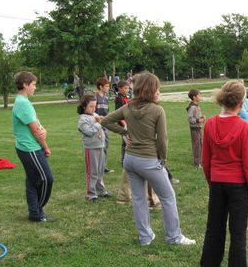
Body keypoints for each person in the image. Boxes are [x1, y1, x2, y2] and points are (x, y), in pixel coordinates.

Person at [101, 72, 195, 246]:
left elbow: (105, 121)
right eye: (157, 88)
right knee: (168, 197)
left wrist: (125, 133)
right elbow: (162, 139)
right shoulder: (157, 110)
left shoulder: (128, 107)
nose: (159, 91)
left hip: (130, 160)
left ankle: (145, 237)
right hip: (149, 160)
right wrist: (163, 159)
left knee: (138, 198)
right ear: (151, 90)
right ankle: (174, 237)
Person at [200, 80, 248, 267]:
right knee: (238, 232)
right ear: (241, 103)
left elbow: (205, 160)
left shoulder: (210, 124)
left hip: (217, 182)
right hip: (238, 186)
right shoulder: (244, 128)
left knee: (214, 227)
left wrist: (211, 180)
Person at [12, 71, 54, 222]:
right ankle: (37, 210)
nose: (35, 87)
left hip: (28, 147)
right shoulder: (23, 103)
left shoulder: (23, 102)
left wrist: (44, 130)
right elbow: (35, 130)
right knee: (46, 179)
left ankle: (35, 214)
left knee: (31, 180)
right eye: (34, 84)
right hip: (30, 148)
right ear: (25, 85)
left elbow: (37, 125)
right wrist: (46, 147)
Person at [77, 95, 110, 202]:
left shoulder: (95, 115)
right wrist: (99, 123)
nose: (93, 108)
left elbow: (101, 126)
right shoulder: (83, 119)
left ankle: (101, 190)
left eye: (94, 106)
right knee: (93, 171)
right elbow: (89, 131)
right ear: (84, 107)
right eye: (91, 106)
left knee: (100, 170)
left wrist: (102, 120)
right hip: (91, 148)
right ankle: (91, 194)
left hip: (100, 146)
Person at [114, 81, 132, 205]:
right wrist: (124, 124)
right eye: (125, 88)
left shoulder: (126, 97)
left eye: (128, 88)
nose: (127, 90)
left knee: (126, 143)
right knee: (125, 143)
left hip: (129, 123)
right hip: (123, 124)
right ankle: (123, 159)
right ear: (120, 88)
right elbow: (119, 113)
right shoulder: (119, 98)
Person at [95, 76, 114, 173]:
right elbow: (91, 112)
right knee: (99, 146)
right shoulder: (95, 97)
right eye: (106, 86)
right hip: (97, 125)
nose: (108, 88)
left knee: (105, 144)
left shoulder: (106, 97)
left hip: (106, 124)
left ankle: (103, 166)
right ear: (100, 87)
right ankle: (98, 166)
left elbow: (106, 111)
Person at [187, 89, 206, 168]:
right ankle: (197, 163)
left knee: (201, 144)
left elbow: (197, 117)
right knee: (196, 145)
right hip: (194, 129)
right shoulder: (192, 107)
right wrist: (199, 120)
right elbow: (190, 119)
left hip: (198, 127)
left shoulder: (197, 106)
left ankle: (201, 161)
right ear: (194, 97)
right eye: (199, 95)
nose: (200, 97)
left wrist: (202, 118)